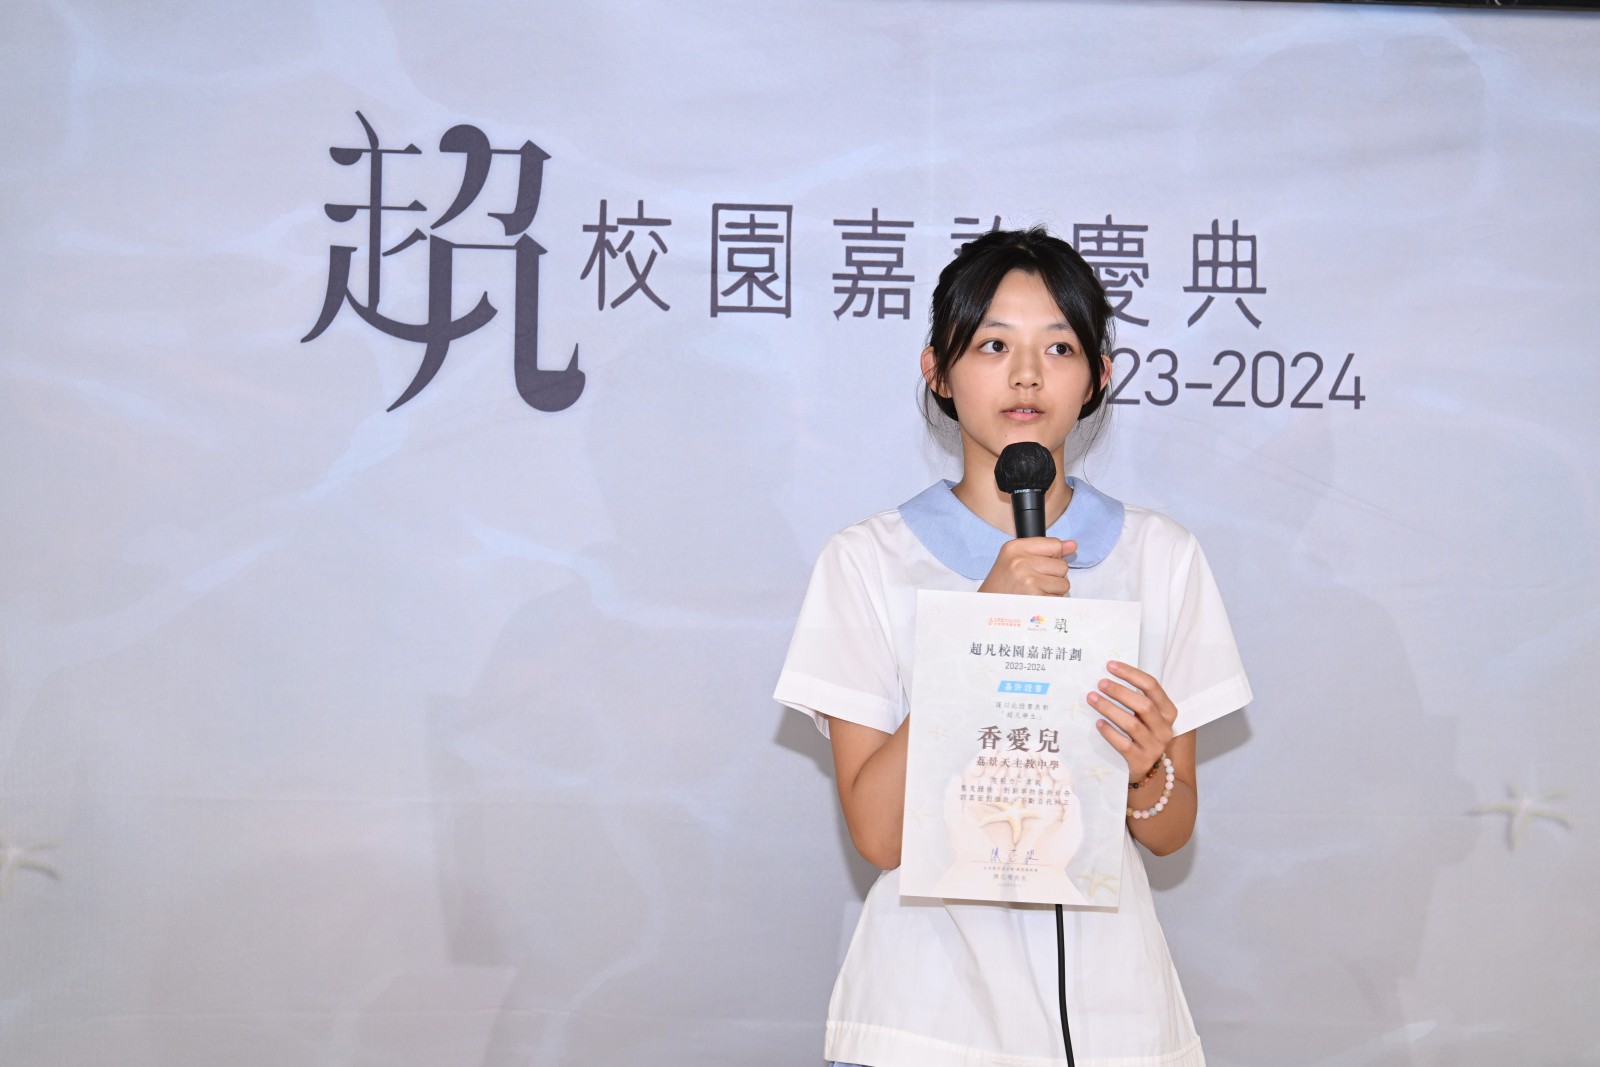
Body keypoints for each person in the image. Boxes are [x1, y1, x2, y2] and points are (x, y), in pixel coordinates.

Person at [773, 227, 1252, 1067]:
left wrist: (1146, 770)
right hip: (924, 1021)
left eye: (1059, 347)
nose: (1027, 375)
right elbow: (879, 835)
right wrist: (983, 627)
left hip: (1117, 1022)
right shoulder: (867, 560)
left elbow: (1171, 830)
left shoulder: (1161, 556)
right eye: (993, 345)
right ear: (938, 370)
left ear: (1098, 376)